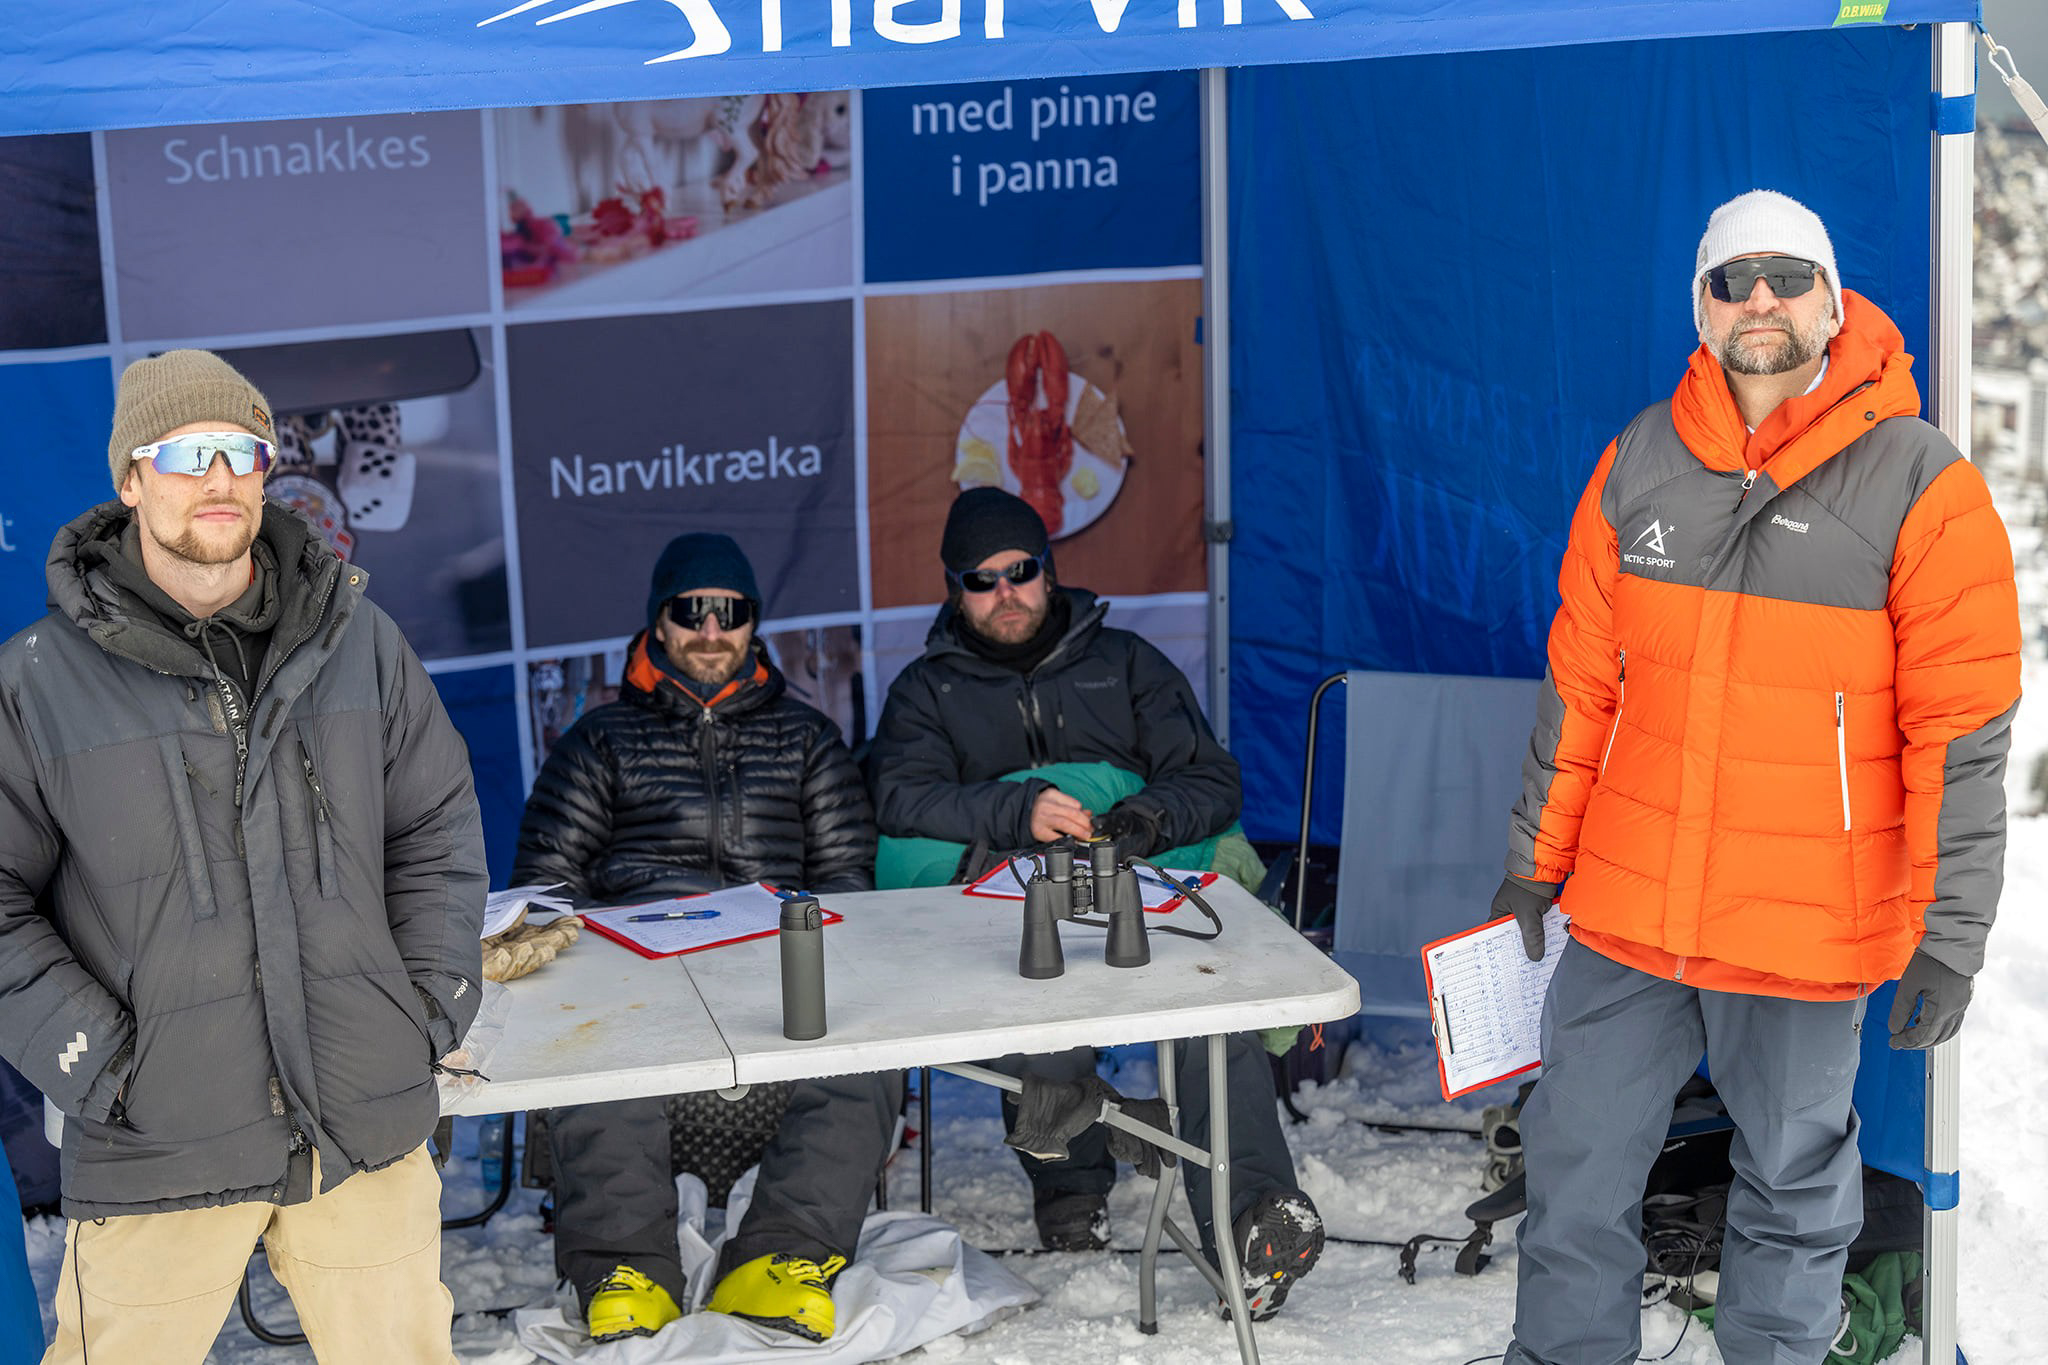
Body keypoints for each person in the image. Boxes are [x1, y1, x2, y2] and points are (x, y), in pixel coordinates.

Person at [1492, 190, 2020, 1365]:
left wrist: (1949, 935)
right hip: (1629, 912)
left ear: (1831, 301)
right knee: (1572, 1179)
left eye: (1787, 277)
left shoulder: (1920, 483)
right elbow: (1578, 689)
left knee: (1792, 1195)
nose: (1760, 300)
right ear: (1701, 309)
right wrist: (1533, 863)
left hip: (1803, 924)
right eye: (1732, 281)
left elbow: (1960, 734)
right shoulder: (1638, 459)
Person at [0, 350, 487, 1364]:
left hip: (360, 1123)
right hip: (157, 1139)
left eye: (240, 450)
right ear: (130, 479)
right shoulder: (37, 684)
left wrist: (420, 1013)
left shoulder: (360, 642)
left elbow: (436, 830)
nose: (218, 477)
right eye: (186, 454)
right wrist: (106, 1066)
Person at [867, 487, 1323, 1319]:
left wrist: (1144, 819)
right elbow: (898, 797)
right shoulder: (926, 691)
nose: (1006, 592)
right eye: (981, 580)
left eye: (1020, 571)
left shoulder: (1126, 661)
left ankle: (1254, 1221)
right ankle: (1069, 1186)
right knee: (1031, 981)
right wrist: (1016, 809)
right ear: (954, 590)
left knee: (1211, 1010)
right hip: (1011, 902)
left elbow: (1212, 778)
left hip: (1142, 884)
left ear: (1050, 570)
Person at [512, 532, 888, 1344]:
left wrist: (784, 943)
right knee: (587, 1042)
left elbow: (850, 885)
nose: (711, 631)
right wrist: (621, 952)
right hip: (638, 989)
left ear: (754, 622)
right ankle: (628, 1270)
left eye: (730, 611)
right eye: (691, 611)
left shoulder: (808, 739)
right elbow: (544, 890)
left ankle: (782, 1258)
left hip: (774, 984)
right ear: (658, 621)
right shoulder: (599, 740)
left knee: (873, 1049)